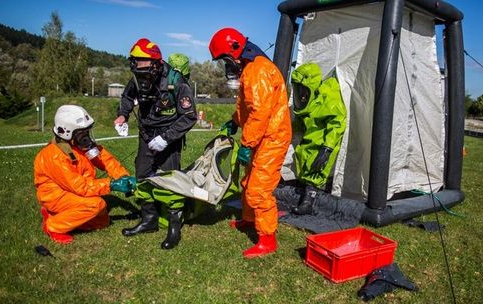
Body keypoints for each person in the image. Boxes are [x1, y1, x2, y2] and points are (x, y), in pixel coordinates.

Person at [209, 27, 292, 258]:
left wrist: (246, 144)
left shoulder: (258, 70)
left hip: (271, 138)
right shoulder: (249, 68)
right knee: (247, 183)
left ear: (235, 50)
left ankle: (267, 240)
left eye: (225, 59)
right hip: (261, 135)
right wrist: (235, 121)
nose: (226, 65)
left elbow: (259, 113)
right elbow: (246, 106)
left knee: (259, 190)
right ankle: (249, 219)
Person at [114, 38, 197, 249]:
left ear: (156, 64)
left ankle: (174, 226)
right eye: (136, 68)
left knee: (171, 181)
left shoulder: (176, 81)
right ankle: (148, 219)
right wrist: (123, 115)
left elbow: (189, 116)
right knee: (142, 175)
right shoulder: (137, 76)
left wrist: (166, 138)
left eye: (144, 69)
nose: (141, 75)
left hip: (168, 136)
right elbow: (127, 96)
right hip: (146, 133)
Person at [34, 105, 136, 244]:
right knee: (95, 205)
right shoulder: (55, 156)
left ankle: (61, 215)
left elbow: (105, 160)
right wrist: (111, 185)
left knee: (103, 222)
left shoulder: (81, 146)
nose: (86, 136)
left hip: (74, 191)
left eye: (87, 131)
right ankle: (53, 226)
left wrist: (122, 177)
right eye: (82, 133)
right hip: (56, 196)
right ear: (67, 132)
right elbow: (80, 186)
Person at [289, 62, 347, 215]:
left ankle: (309, 200)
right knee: (303, 155)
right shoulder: (309, 100)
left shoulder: (329, 98)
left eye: (303, 91)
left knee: (316, 163)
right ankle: (305, 190)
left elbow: (337, 123)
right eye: (298, 90)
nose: (300, 94)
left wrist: (326, 149)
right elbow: (300, 121)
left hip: (323, 138)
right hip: (310, 136)